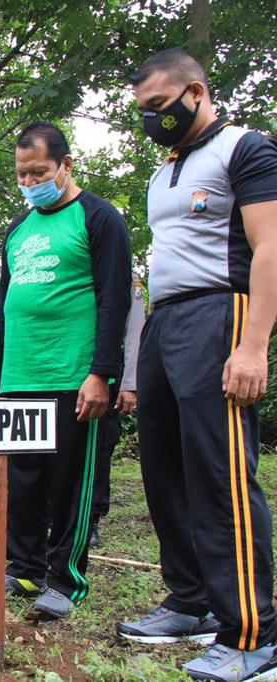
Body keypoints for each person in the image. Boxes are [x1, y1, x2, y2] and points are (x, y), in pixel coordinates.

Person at [117, 48, 277, 682]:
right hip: (165, 321)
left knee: (221, 473)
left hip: (221, 315)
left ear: (196, 92)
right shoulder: (165, 171)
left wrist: (254, 344)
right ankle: (191, 601)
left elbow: (269, 247)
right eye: (143, 113)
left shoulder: (246, 149)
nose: (152, 120)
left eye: (159, 107)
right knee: (163, 468)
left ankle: (253, 634)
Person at [0, 122, 132, 620]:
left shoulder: (99, 218)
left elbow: (115, 299)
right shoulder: (19, 229)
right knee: (24, 481)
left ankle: (66, 580)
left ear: (66, 165)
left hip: (72, 376)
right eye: (21, 174)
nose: (30, 181)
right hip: (21, 377)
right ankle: (25, 568)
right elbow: (5, 303)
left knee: (69, 484)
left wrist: (102, 372)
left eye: (38, 171)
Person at [88, 273, 145, 549]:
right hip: (67, 368)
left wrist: (131, 384)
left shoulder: (127, 279)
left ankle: (92, 520)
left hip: (106, 373)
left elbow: (134, 334)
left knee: (99, 448)